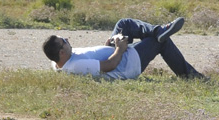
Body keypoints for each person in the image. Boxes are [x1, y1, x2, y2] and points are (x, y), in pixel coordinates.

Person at [42, 17, 204, 80]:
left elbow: (95, 64)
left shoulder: (58, 62)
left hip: (115, 54)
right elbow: (109, 66)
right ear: (61, 53)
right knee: (160, 42)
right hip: (127, 63)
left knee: (123, 24)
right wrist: (119, 48)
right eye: (64, 41)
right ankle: (191, 77)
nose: (67, 39)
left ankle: (159, 30)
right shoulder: (74, 66)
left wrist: (107, 46)